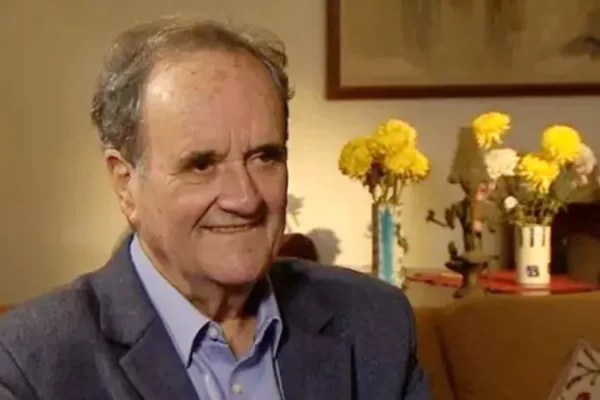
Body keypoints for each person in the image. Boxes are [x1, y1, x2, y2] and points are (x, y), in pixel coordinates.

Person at [0, 15, 432, 400]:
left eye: (264, 157)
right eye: (202, 165)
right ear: (125, 183)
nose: (245, 198)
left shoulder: (374, 323)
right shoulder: (31, 365)